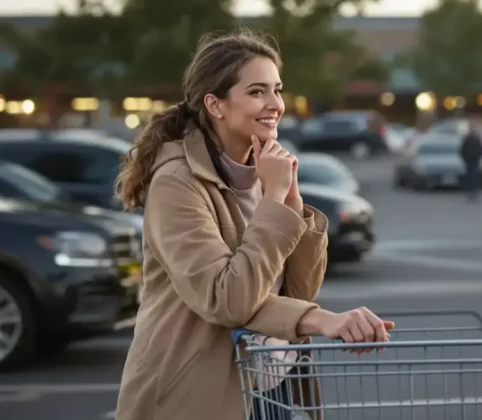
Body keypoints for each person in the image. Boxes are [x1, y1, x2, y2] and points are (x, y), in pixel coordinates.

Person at [112, 30, 394, 420]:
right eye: (257, 91)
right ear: (216, 104)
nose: (275, 104)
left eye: (277, 90)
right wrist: (276, 201)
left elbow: (298, 287)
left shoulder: (264, 171)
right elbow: (228, 298)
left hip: (270, 389)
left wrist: (290, 198)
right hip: (195, 394)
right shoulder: (177, 183)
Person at [460, 123, 482, 201]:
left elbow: (462, 150)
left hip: (470, 160)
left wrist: (464, 158)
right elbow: (481, 150)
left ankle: (471, 191)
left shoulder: (467, 140)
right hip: (473, 160)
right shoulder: (476, 140)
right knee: (473, 175)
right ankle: (473, 191)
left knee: (471, 175)